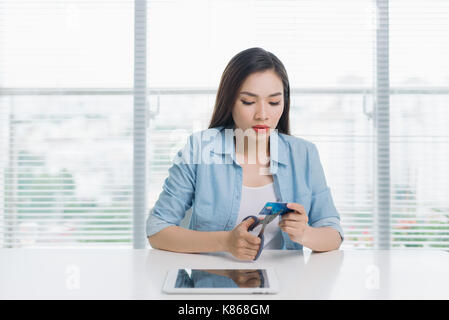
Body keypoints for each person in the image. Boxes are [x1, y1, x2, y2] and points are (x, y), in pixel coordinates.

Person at [146, 47, 344, 261]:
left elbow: (333, 234)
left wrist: (306, 234)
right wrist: (225, 242)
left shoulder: (304, 154)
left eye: (274, 102)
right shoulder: (199, 148)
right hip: (212, 285)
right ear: (229, 101)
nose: (262, 115)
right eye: (248, 102)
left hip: (286, 286)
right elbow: (157, 230)